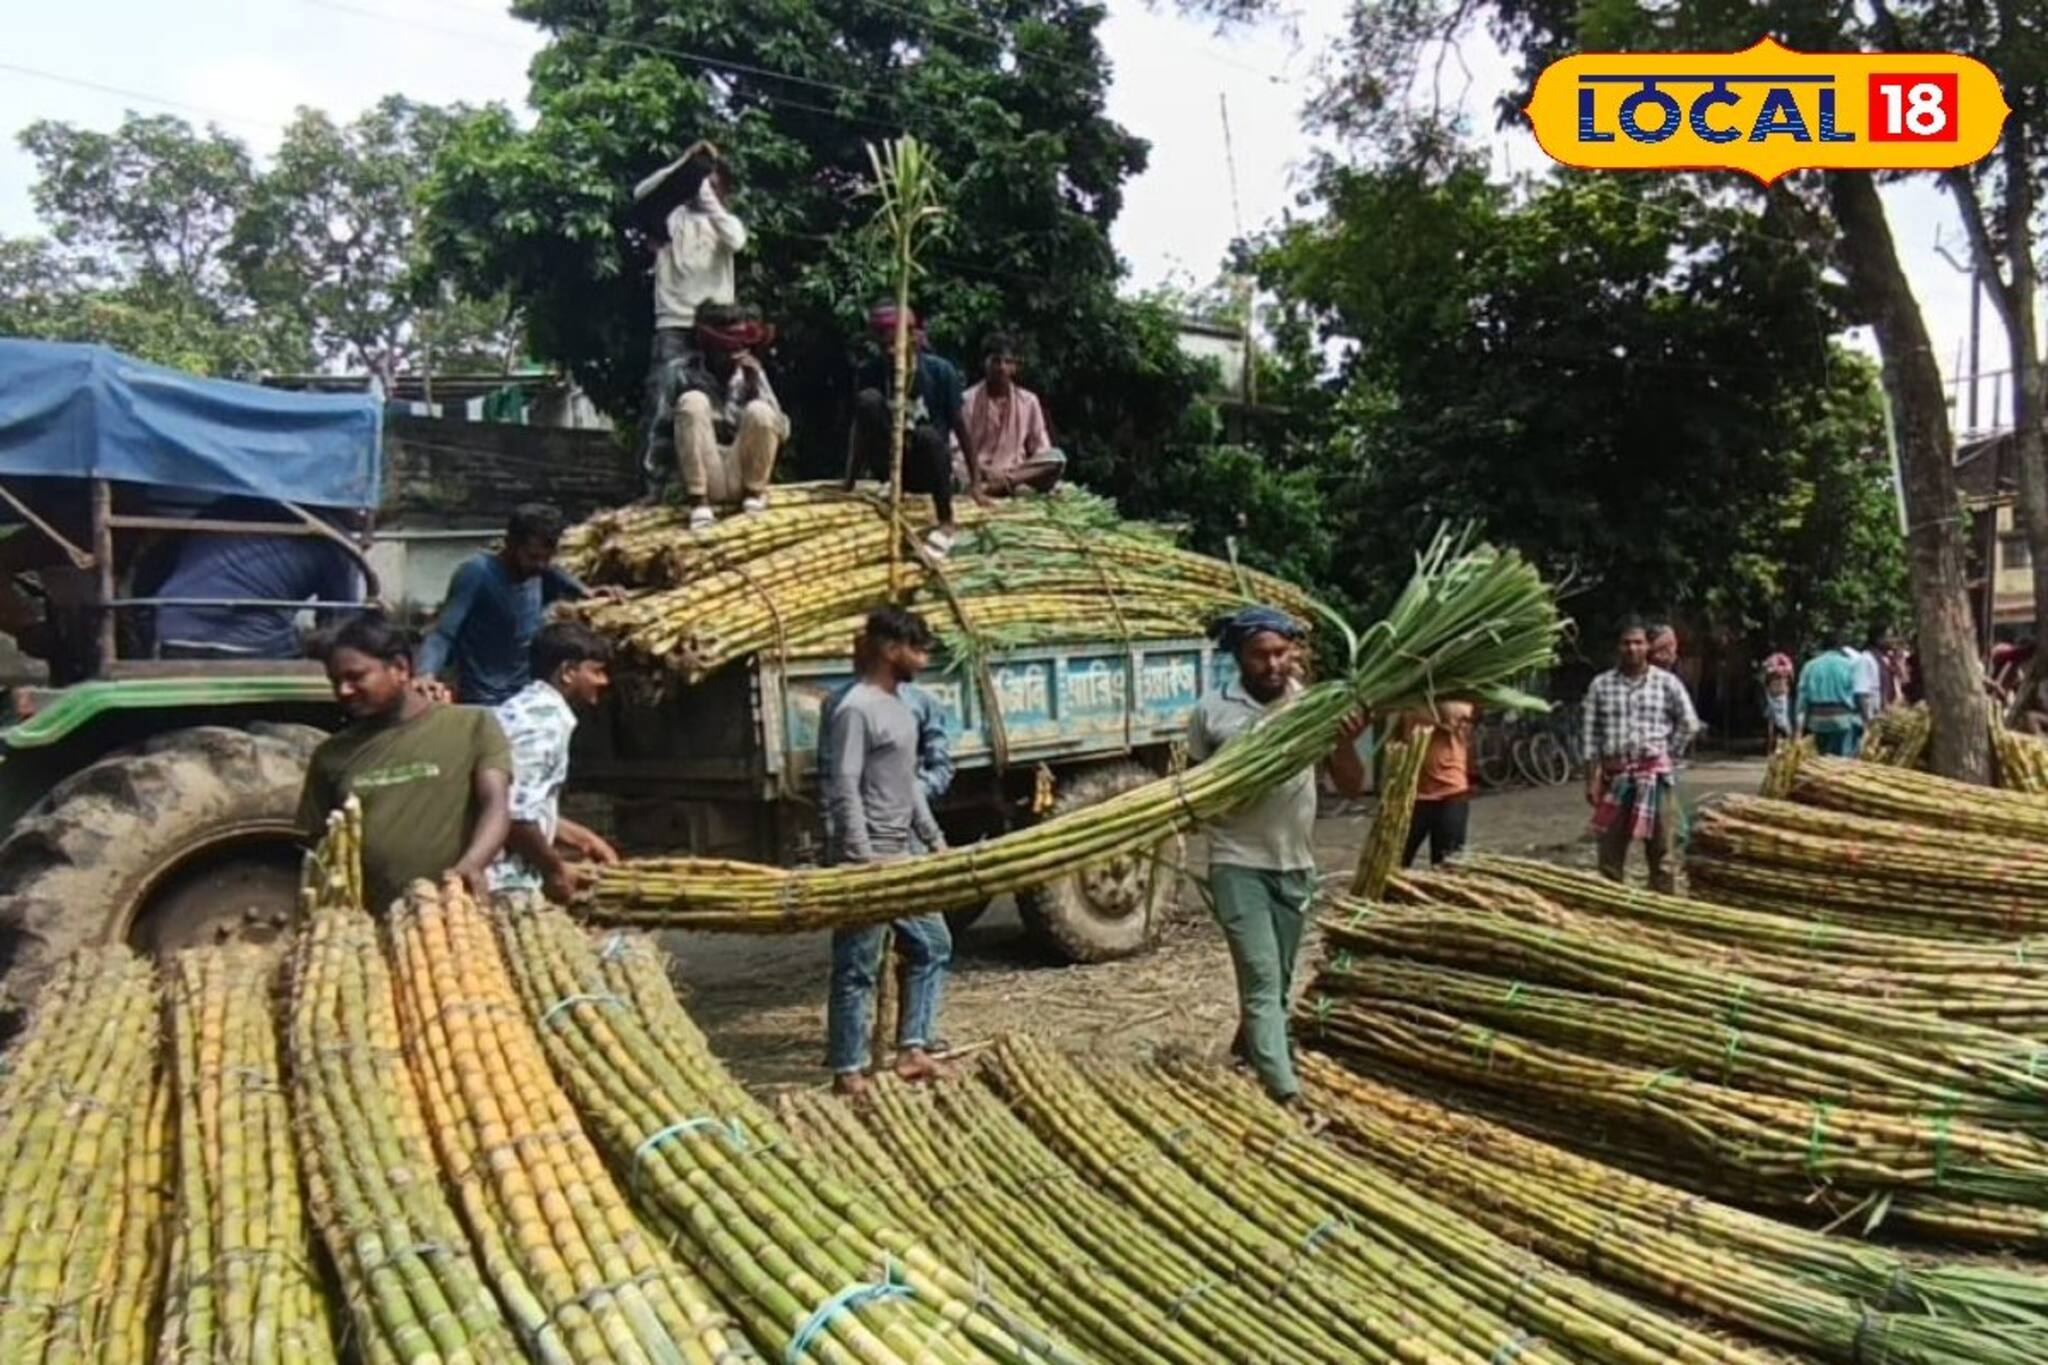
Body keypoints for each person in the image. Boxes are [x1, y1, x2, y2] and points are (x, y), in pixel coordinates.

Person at [1189, 606, 1368, 1104]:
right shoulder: (1211, 711)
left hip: (1296, 865)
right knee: (1263, 978)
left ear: (1293, 653)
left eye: (1280, 653)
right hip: (1236, 863)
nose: (1272, 664)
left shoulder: (1313, 707)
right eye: (1259, 655)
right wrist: (1230, 788)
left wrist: (1346, 744)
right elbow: (1191, 792)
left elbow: (1353, 786)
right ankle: (1285, 1092)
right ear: (1238, 658)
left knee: (1279, 979)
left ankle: (1249, 1050)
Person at [297, 614, 512, 914]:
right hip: (368, 924)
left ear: (400, 668)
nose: (343, 691)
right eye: (336, 681)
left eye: (355, 677)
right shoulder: (331, 755)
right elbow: (318, 846)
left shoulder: (472, 725)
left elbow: (496, 805)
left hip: (454, 915)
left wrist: (469, 867)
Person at [822, 607, 953, 1096]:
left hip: (902, 851)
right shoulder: (855, 709)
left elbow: (908, 784)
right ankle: (848, 1072)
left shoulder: (901, 706)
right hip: (869, 855)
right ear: (890, 649)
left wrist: (933, 838)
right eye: (917, 650)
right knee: (857, 965)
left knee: (933, 944)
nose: (923, 659)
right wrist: (861, 857)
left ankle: (912, 1051)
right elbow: (844, 784)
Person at [416, 504, 617, 708]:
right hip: (484, 698)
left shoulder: (539, 572)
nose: (540, 565)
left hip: (524, 693)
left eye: (546, 558)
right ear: (510, 544)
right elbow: (443, 633)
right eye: (533, 557)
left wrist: (586, 591)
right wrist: (426, 673)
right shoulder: (477, 573)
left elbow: (555, 573)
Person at [635, 144, 747, 484]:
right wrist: (685, 166)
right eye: (700, 184)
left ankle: (723, 480)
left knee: (724, 404)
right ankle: (656, 486)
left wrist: (707, 195)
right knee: (662, 403)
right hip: (674, 324)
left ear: (724, 190)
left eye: (713, 184)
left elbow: (737, 240)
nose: (703, 190)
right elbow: (641, 194)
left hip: (717, 330)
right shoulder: (672, 217)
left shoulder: (726, 223)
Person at [489, 621, 621, 905]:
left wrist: (581, 838)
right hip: (503, 879)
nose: (604, 681)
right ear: (568, 672)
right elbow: (515, 814)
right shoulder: (544, 724)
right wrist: (555, 870)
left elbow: (524, 802)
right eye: (596, 671)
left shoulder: (521, 707)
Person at [844, 303, 984, 558]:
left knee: (927, 435)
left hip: (928, 466)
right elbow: (860, 430)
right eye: (884, 346)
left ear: (912, 338)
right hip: (891, 467)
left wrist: (976, 483)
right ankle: (892, 486)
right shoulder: (871, 373)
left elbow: (962, 429)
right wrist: (849, 481)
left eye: (895, 344)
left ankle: (946, 521)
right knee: (868, 400)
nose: (891, 352)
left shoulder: (940, 371)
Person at [1581, 619, 1702, 894]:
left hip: (1655, 778)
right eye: (1626, 643)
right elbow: (1590, 737)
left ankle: (1662, 906)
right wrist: (1590, 780)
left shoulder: (1666, 683)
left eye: (1638, 642)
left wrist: (1668, 753)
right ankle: (1610, 906)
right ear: (1618, 647)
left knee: (1662, 853)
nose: (1632, 648)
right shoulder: (1600, 685)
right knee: (1609, 854)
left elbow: (1689, 723)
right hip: (1616, 778)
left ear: (1648, 646)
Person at [819, 630, 953, 855]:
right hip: (861, 833)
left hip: (903, 829)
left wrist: (912, 801)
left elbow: (938, 768)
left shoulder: (919, 703)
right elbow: (833, 776)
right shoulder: (841, 705)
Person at [152, 530, 363, 660]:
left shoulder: (229, 505)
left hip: (170, 634)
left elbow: (156, 566)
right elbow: (342, 627)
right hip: (248, 644)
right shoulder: (336, 542)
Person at [677, 307, 789, 531]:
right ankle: (699, 503)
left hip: (742, 473)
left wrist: (755, 386)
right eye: (726, 348)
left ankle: (753, 496)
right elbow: (663, 434)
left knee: (760, 410)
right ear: (710, 349)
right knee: (693, 401)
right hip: (706, 474)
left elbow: (782, 431)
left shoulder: (752, 373)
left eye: (739, 346)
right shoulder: (685, 373)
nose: (733, 354)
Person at [960, 333, 1065, 496]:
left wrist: (1013, 476)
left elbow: (1041, 447)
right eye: (996, 361)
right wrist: (986, 471)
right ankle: (997, 487)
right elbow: (956, 449)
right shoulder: (967, 400)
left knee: (1057, 457)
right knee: (952, 466)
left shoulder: (1029, 401)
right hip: (976, 472)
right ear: (985, 363)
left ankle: (1003, 485)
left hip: (1016, 472)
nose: (1002, 367)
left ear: (1015, 367)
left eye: (1008, 362)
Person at [1398, 700, 1475, 867]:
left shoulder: (1459, 698)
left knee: (1447, 865)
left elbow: (1450, 715)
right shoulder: (1408, 697)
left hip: (1450, 793)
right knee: (1392, 860)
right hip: (1411, 792)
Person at [1795, 636, 1866, 757]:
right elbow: (1858, 694)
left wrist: (1798, 732)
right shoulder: (1849, 665)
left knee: (1821, 758)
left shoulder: (1809, 666)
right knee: (1842, 759)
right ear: (1840, 649)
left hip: (1817, 721)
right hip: (1842, 719)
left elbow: (1802, 702)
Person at [1760, 651, 1795, 753]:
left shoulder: (1788, 701)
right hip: (1774, 700)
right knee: (1775, 727)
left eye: (1782, 679)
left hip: (1781, 700)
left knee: (1784, 725)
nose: (1780, 681)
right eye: (1776, 678)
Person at [1852, 630, 1885, 723]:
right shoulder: (1865, 659)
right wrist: (1867, 719)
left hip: (1880, 713)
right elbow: (1862, 691)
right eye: (1886, 637)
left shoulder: (1880, 659)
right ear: (1878, 639)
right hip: (1871, 715)